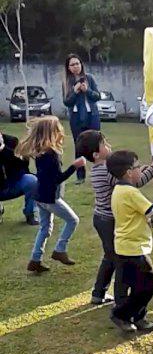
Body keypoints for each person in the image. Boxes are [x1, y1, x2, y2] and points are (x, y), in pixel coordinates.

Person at [75, 129, 153, 305]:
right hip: (109, 221)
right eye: (103, 144)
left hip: (102, 218)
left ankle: (99, 293)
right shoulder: (106, 170)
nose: (108, 144)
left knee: (110, 257)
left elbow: (131, 177)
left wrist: (139, 169)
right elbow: (136, 181)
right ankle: (120, 298)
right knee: (118, 260)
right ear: (96, 154)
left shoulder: (100, 168)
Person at [106, 150, 153, 333]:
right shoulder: (130, 192)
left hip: (123, 246)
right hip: (134, 249)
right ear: (129, 172)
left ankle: (139, 317)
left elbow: (140, 215)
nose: (141, 170)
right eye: (138, 167)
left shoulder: (119, 190)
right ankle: (121, 314)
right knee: (149, 283)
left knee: (136, 285)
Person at [16, 116, 86, 273]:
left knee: (45, 228)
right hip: (49, 198)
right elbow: (57, 179)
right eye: (58, 128)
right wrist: (75, 166)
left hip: (39, 196)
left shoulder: (41, 152)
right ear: (52, 133)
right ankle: (60, 250)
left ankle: (35, 260)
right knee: (73, 220)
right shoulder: (51, 154)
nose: (61, 130)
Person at [63, 53, 100, 184]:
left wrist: (87, 90)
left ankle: (100, 173)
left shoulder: (89, 78)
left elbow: (97, 96)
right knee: (79, 147)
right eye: (72, 64)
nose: (75, 66)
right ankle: (80, 176)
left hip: (92, 116)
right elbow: (67, 102)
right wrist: (75, 92)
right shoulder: (67, 82)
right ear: (68, 67)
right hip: (77, 118)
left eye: (77, 63)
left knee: (97, 145)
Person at [0, 132, 38, 225]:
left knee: (32, 181)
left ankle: (30, 213)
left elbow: (23, 165)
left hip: (14, 182)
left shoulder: (12, 141)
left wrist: (3, 149)